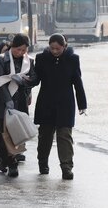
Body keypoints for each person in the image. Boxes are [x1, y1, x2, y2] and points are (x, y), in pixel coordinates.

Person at [31, 33, 87, 180]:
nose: (54, 51)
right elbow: (36, 79)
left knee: (65, 137)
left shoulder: (73, 59)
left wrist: (82, 104)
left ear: (64, 46)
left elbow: (77, 82)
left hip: (65, 104)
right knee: (45, 136)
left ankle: (66, 168)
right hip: (46, 103)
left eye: (58, 48)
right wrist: (27, 80)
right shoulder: (41, 59)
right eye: (52, 48)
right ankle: (43, 163)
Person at [0, 33, 35, 177]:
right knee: (2, 136)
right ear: (12, 46)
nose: (20, 53)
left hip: (20, 102)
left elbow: (35, 79)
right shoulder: (1, 59)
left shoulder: (29, 61)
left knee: (16, 134)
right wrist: (7, 99)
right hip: (2, 103)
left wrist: (24, 82)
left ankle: (12, 161)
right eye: (18, 49)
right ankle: (6, 160)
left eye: (23, 50)